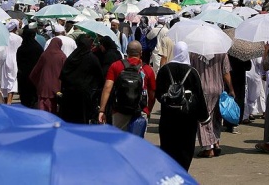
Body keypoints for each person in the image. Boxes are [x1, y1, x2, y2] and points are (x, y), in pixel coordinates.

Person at [155, 42, 210, 171]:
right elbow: (199, 96)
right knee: (185, 148)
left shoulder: (164, 70)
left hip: (168, 118)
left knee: (168, 148)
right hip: (187, 120)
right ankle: (182, 175)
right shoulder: (192, 72)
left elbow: (158, 94)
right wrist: (204, 117)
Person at [98, 41, 156, 131]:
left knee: (118, 140)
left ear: (126, 51)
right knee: (137, 141)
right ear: (141, 53)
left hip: (119, 110)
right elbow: (152, 95)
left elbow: (107, 88)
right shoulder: (147, 69)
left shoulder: (116, 66)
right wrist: (148, 110)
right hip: (140, 111)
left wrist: (102, 110)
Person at [190, 52, 234, 158]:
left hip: (202, 89)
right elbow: (226, 72)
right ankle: (216, 142)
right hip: (218, 88)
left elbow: (191, 72)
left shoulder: (194, 53)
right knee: (216, 117)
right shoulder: (222, 53)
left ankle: (208, 148)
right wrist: (231, 89)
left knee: (204, 118)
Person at [59, 34, 104, 124]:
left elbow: (63, 74)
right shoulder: (91, 58)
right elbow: (100, 76)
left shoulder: (72, 57)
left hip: (69, 95)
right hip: (83, 97)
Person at [30, 38, 66, 114]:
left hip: (43, 87)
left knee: (42, 111)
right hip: (56, 88)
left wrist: (38, 84)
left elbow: (35, 72)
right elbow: (66, 72)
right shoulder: (62, 56)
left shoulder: (45, 55)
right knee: (52, 111)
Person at [0, 20, 23, 104]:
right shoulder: (18, 38)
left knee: (4, 80)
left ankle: (5, 100)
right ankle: (9, 101)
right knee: (12, 80)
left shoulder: (3, 36)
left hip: (4, 59)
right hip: (13, 60)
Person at [16, 27, 43, 108]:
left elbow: (18, 63)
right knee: (34, 99)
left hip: (23, 78)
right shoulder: (38, 48)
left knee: (25, 99)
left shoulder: (21, 49)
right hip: (35, 78)